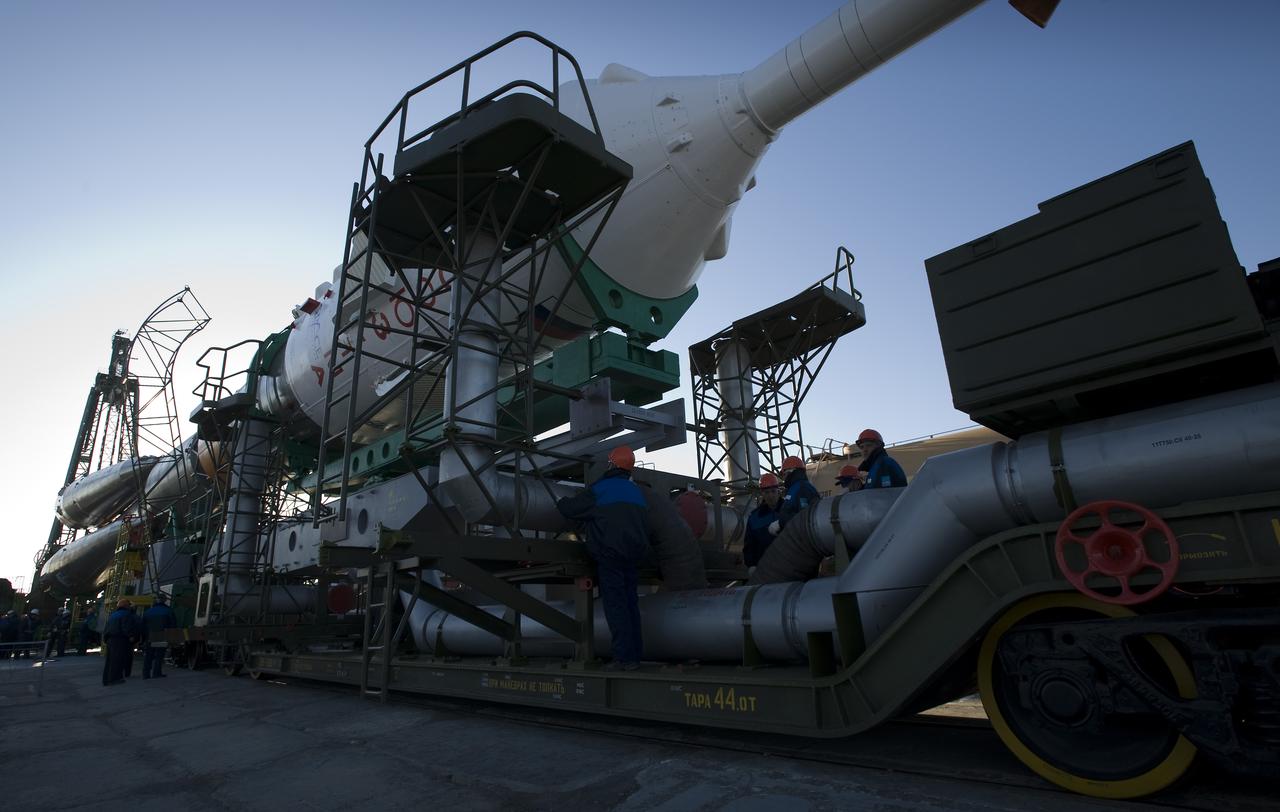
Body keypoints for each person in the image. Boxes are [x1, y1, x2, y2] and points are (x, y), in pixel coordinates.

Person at [556, 445, 650, 671]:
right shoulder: (636, 492)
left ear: (611, 464)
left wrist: (561, 501)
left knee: (616, 606)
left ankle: (624, 659)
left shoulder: (602, 488)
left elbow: (571, 509)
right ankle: (635, 656)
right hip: (633, 555)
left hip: (610, 555)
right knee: (630, 604)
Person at [769, 456, 820, 537]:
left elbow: (805, 518)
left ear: (789, 472)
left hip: (804, 542)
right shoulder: (796, 488)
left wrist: (781, 523)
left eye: (784, 474)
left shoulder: (801, 488)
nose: (783, 478)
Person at [743, 473, 783, 570]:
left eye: (773, 491)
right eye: (767, 492)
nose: (770, 496)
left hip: (789, 565)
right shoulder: (755, 517)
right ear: (762, 494)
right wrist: (751, 565)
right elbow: (749, 545)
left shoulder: (789, 510)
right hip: (766, 568)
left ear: (778, 491)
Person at [102, 599, 137, 686]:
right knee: (117, 660)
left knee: (110, 660)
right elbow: (126, 628)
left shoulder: (113, 615)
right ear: (127, 606)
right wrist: (131, 636)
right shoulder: (127, 615)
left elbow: (106, 628)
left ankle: (106, 679)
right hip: (120, 639)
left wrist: (105, 639)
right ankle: (114, 679)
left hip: (110, 639)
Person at [141, 594, 177, 679]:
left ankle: (145, 674)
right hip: (161, 635)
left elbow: (142, 625)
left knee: (148, 655)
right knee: (159, 655)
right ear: (164, 600)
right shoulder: (168, 611)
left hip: (149, 635)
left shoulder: (148, 611)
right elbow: (173, 625)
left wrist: (143, 637)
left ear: (156, 600)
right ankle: (156, 673)